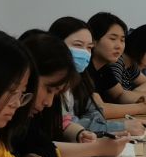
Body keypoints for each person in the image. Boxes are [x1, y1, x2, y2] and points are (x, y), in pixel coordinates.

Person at [12, 28, 132, 157]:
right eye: (78, 45)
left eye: (89, 47)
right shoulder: (13, 116)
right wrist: (98, 147)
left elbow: (45, 147)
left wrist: (79, 133)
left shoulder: (84, 79)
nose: (49, 102)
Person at [47, 15, 140, 146]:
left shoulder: (81, 76)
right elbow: (64, 124)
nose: (85, 53)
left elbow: (95, 112)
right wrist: (119, 126)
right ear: (55, 44)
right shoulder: (50, 83)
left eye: (89, 47)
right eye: (78, 45)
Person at [88, 12, 146, 108]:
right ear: (93, 40)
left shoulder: (104, 68)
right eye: (113, 39)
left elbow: (120, 95)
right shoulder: (83, 68)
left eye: (122, 40)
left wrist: (142, 98)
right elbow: (100, 109)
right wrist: (141, 108)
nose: (119, 46)